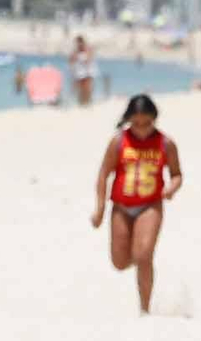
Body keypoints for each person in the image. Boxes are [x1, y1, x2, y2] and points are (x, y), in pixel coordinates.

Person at [91, 94, 182, 313]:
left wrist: (171, 187)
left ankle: (145, 308)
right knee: (120, 262)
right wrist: (100, 209)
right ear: (129, 120)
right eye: (137, 124)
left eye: (147, 124)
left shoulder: (165, 143)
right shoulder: (119, 142)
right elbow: (104, 174)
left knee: (143, 256)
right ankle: (139, 256)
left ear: (154, 119)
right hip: (121, 206)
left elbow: (177, 174)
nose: (142, 129)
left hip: (150, 205)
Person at [70, 35, 95, 107]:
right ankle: (82, 103)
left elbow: (89, 60)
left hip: (88, 72)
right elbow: (71, 60)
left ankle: (88, 103)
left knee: (87, 89)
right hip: (79, 73)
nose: (79, 44)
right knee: (80, 89)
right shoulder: (75, 51)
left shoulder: (88, 49)